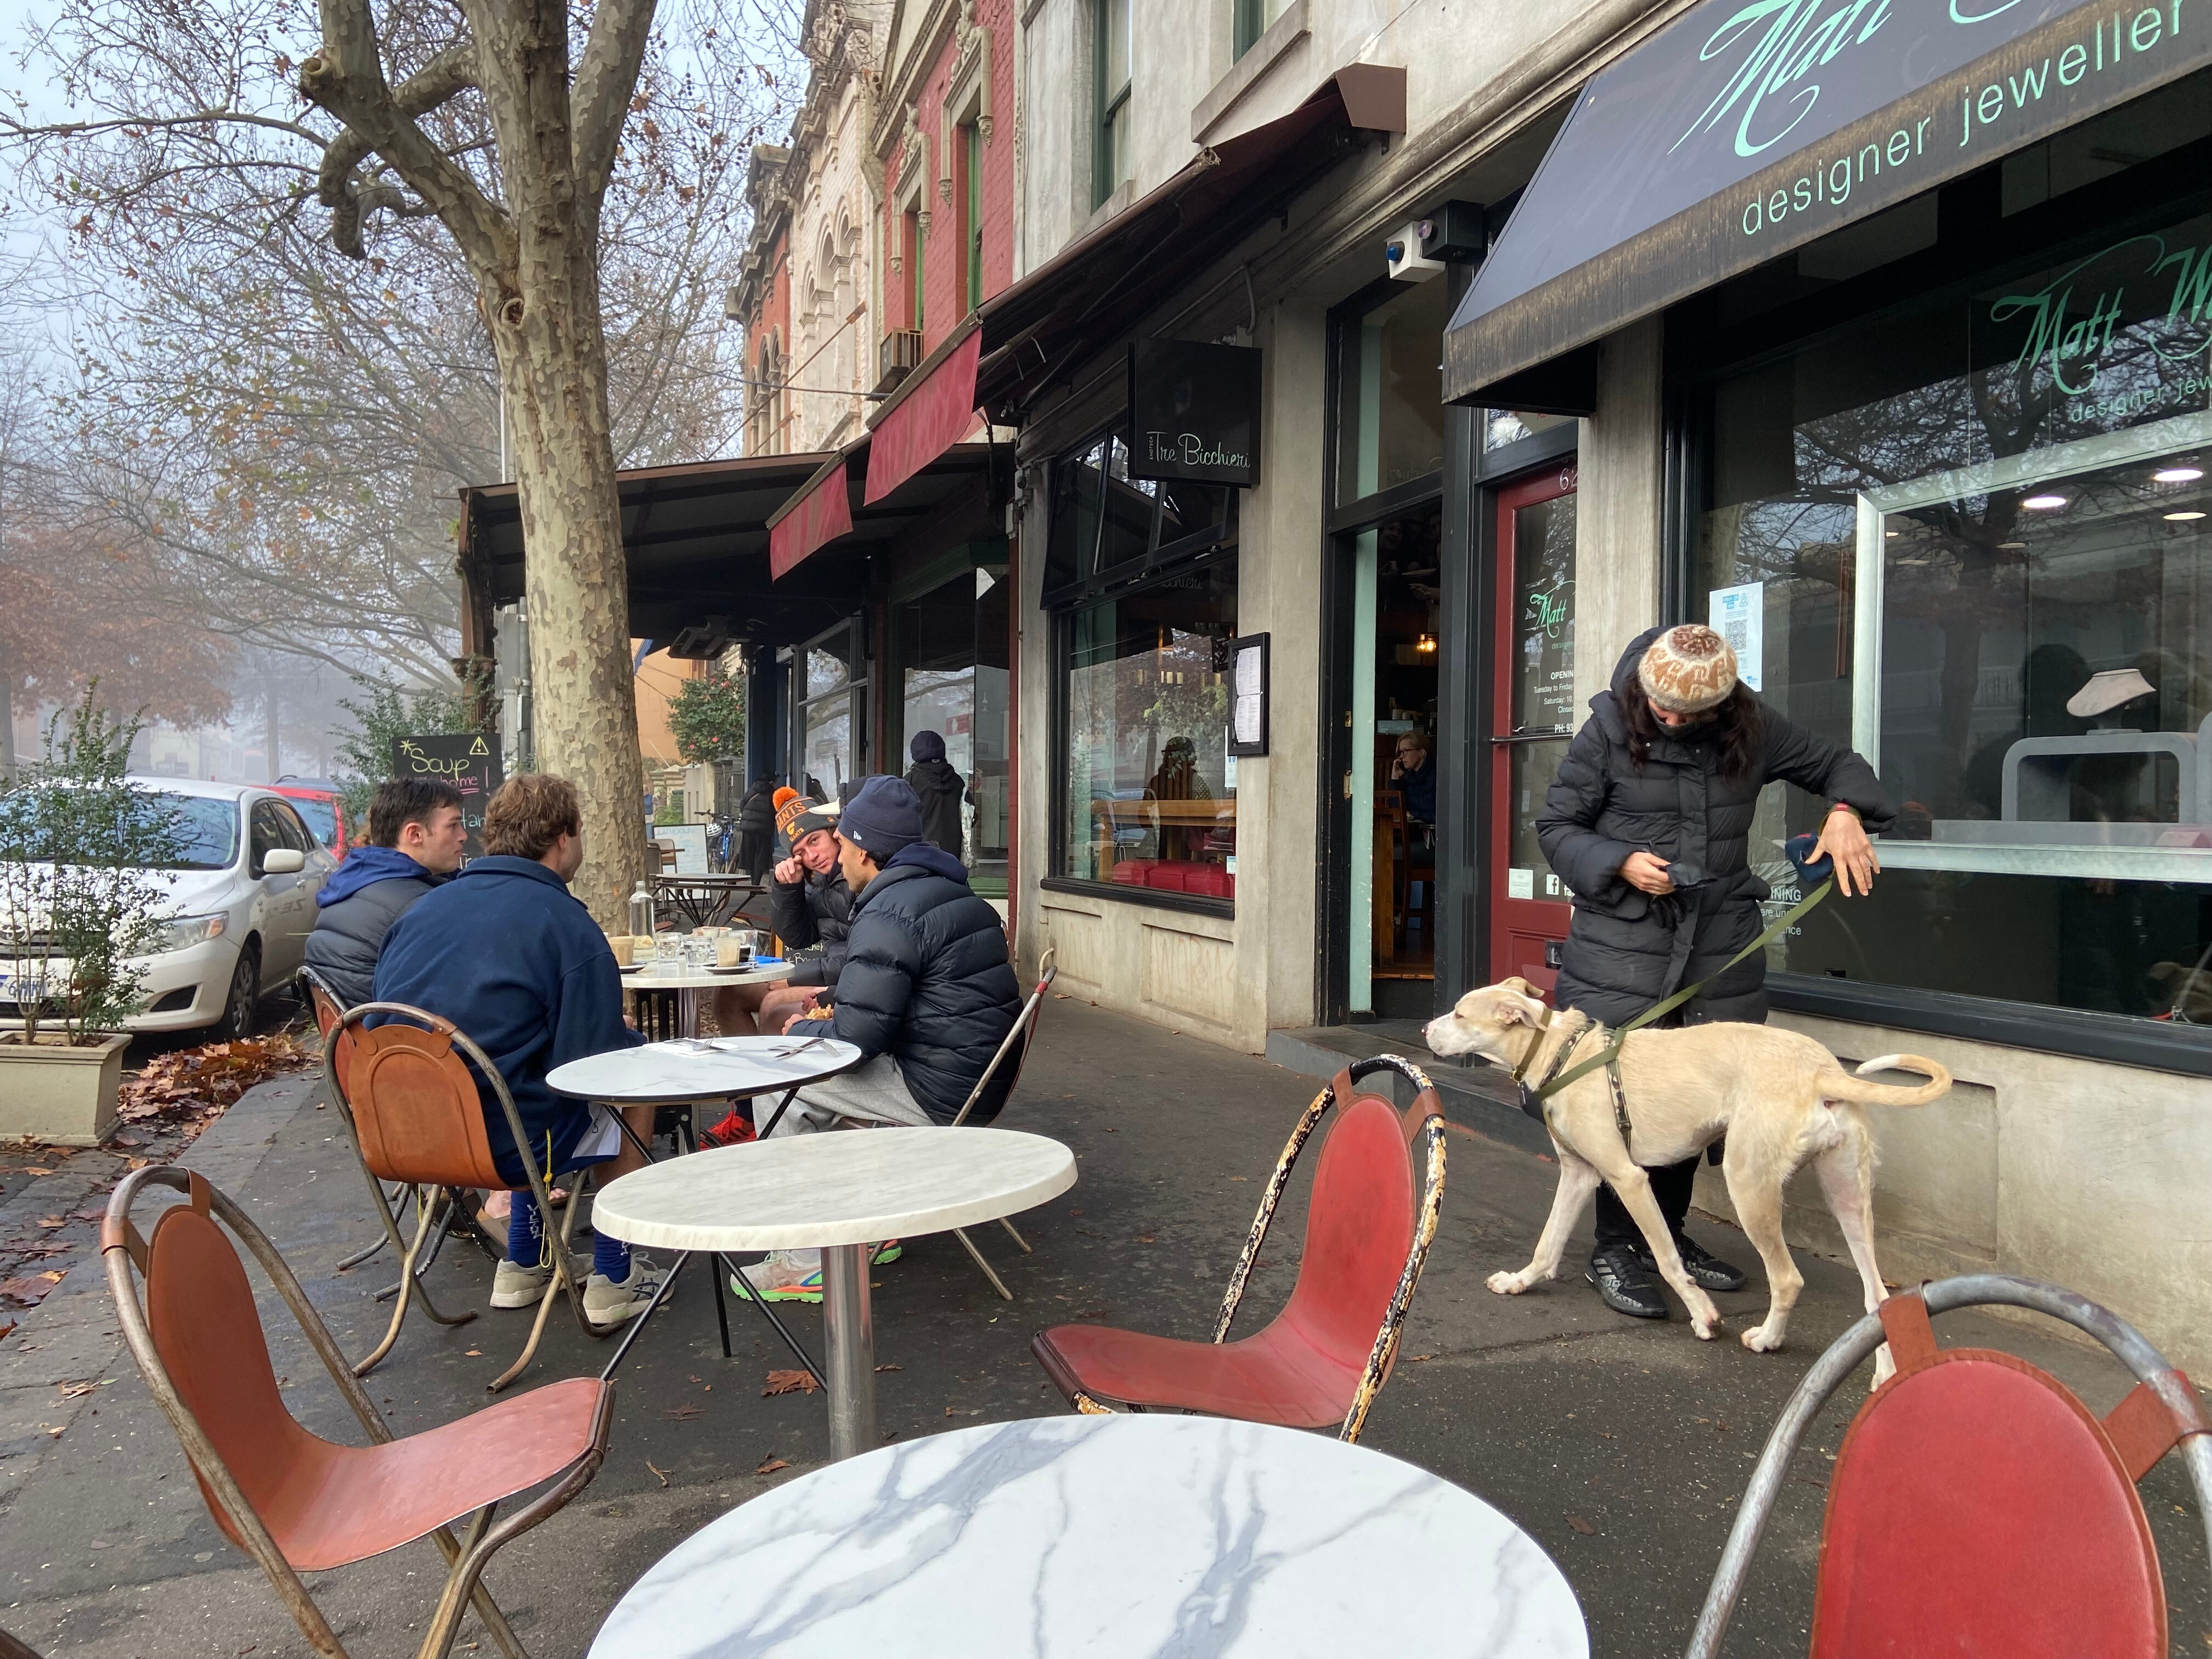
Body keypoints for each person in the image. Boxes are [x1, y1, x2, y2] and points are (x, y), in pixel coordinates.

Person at [1537, 623, 1888, 1321]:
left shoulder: (1751, 725)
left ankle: (1669, 1237)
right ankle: (1616, 1250)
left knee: (1696, 1103)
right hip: (1623, 945)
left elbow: (1835, 763)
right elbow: (1557, 827)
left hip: (1718, 942)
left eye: (1688, 714)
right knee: (1617, 1101)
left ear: (1721, 707)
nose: (1669, 718)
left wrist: (1847, 810)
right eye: (1661, 706)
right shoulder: (1608, 728)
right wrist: (1620, 863)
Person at [372, 773, 670, 1328]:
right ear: (563, 837)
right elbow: (593, 1067)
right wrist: (625, 1035)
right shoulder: (567, 926)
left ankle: (524, 1262)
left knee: (511, 1074)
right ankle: (614, 1275)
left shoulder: (418, 914)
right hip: (507, 1141)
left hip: (404, 1135)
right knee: (632, 1081)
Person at [735, 774, 1023, 1302]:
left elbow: (857, 1039)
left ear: (865, 850)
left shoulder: (890, 911)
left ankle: (804, 1260)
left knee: (782, 1079)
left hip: (942, 1088)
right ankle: (860, 1228)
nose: (834, 855)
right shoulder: (946, 891)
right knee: (811, 1076)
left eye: (838, 841)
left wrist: (806, 1028)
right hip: (977, 1076)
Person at [304, 778, 466, 1009]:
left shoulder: (350, 881)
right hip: (402, 1040)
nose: (463, 836)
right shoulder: (423, 905)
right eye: (453, 826)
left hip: (351, 1039)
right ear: (415, 834)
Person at [707, 789, 849, 1051]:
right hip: (825, 969)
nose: (812, 856)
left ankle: (773, 1085)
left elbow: (864, 957)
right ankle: (749, 1081)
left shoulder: (859, 873)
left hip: (847, 979)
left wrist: (792, 978)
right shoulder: (818, 878)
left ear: (835, 832)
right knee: (729, 994)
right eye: (801, 852)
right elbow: (799, 938)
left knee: (774, 1007)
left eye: (815, 840)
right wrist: (788, 888)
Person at [904, 730, 967, 861]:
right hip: (952, 856)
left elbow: (899, 820)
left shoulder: (910, 781)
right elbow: (970, 818)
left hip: (919, 855)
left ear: (915, 753)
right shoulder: (958, 782)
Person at [733, 774, 778, 880]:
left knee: (749, 853)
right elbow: (774, 810)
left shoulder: (752, 790)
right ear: (771, 782)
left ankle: (750, 879)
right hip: (763, 829)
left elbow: (742, 805)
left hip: (748, 827)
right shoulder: (772, 793)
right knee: (761, 855)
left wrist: (748, 818)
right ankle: (756, 883)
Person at [1391, 731, 1437, 823]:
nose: (1401, 757)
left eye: (1406, 751)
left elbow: (1437, 814)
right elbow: (1396, 810)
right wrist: (1395, 780)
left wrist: (1413, 814)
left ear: (1421, 753)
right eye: (1401, 752)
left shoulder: (1436, 777)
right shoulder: (1408, 777)